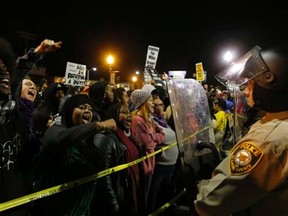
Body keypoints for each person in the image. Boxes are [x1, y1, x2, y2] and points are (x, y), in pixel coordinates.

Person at [194, 44, 288, 215]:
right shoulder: (280, 123)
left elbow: (211, 200)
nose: (244, 91)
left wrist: (199, 186)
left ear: (269, 81)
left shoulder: (267, 139)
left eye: (250, 84)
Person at [0, 38, 62, 216]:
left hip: (19, 203)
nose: (5, 75)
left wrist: (39, 52)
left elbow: (18, 70)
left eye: (6, 71)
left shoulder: (13, 114)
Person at [32, 94, 116, 216]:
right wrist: (98, 125)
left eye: (90, 109)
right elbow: (61, 138)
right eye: (81, 107)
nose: (87, 111)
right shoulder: (55, 131)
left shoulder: (89, 143)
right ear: (70, 110)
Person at [130, 89, 165, 211]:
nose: (153, 104)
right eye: (150, 101)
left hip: (149, 166)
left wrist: (154, 136)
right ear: (143, 103)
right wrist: (155, 137)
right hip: (143, 168)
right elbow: (148, 144)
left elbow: (162, 134)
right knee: (142, 200)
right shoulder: (137, 121)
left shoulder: (147, 120)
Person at [147, 95, 179, 213]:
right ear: (153, 107)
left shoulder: (163, 121)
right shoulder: (152, 122)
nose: (163, 106)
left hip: (170, 165)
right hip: (160, 166)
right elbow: (153, 139)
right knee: (155, 195)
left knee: (164, 194)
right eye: (160, 105)